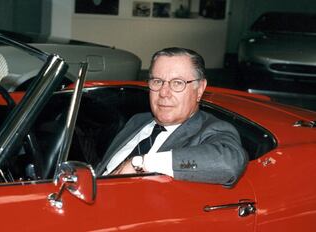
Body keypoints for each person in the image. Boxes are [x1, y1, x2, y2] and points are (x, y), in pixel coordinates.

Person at [96, 47, 248, 186]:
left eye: (177, 83)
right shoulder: (138, 120)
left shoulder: (210, 130)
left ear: (200, 89)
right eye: (157, 81)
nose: (163, 92)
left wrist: (141, 163)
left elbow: (228, 163)